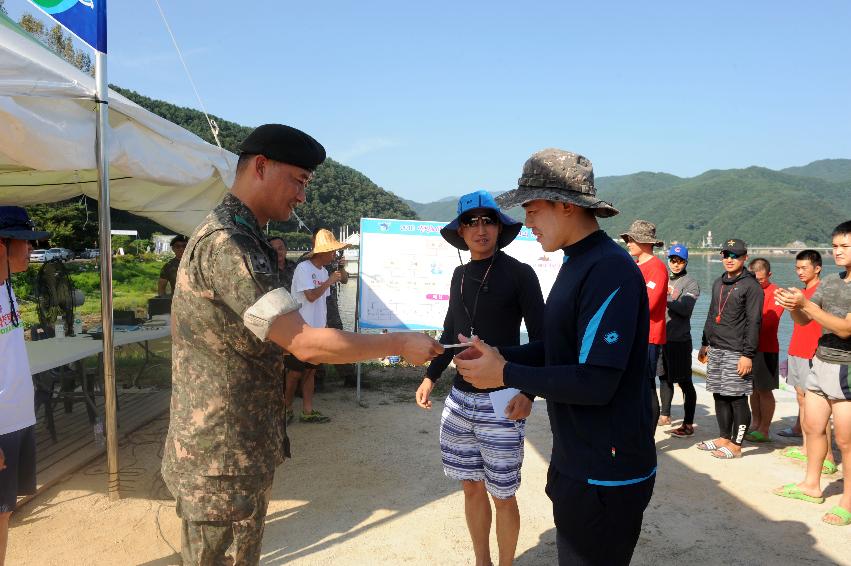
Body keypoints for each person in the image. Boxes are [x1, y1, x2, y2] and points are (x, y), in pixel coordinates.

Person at [161, 124, 442, 566]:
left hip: (233, 450)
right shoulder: (228, 243)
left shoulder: (245, 236)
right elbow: (304, 343)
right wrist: (400, 341)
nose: (302, 196)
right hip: (221, 456)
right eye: (300, 180)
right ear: (260, 166)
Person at [455, 149, 656, 566]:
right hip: (577, 458)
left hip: (608, 467)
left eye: (532, 209)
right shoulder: (576, 261)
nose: (526, 222)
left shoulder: (610, 270)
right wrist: (498, 354)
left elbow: (597, 381)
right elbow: (557, 348)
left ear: (566, 205)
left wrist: (505, 372)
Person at [415, 190, 545, 566]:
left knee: (502, 494)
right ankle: (482, 562)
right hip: (459, 399)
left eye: (487, 220)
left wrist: (530, 393)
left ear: (499, 227)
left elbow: (543, 340)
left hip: (503, 399)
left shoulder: (520, 274)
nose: (480, 228)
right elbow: (450, 329)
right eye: (471, 222)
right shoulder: (458, 275)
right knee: (471, 486)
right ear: (461, 231)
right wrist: (430, 376)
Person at [773, 221, 851, 527]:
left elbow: (845, 329)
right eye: (835, 246)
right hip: (820, 362)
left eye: (844, 246)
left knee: (845, 440)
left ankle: (847, 500)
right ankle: (811, 485)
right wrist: (794, 305)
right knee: (814, 425)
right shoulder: (832, 281)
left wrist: (806, 304)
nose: (838, 251)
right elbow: (805, 320)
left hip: (846, 367)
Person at [0, 206, 49, 566]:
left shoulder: (8, 288)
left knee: (4, 513)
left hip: (17, 418)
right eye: (25, 243)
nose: (30, 250)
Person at [697, 238, 762, 459]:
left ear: (745, 258)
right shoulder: (718, 282)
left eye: (734, 255)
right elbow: (710, 313)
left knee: (737, 397)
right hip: (716, 347)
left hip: (737, 350)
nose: (729, 259)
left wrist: (747, 355)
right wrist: (704, 343)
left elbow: (754, 322)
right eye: (726, 254)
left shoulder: (751, 286)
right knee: (719, 395)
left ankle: (736, 444)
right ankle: (723, 437)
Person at [777, 250, 837, 474]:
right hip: (797, 349)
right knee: (802, 401)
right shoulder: (801, 293)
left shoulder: (823, 292)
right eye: (797, 268)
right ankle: (806, 447)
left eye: (804, 268)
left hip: (812, 351)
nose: (800, 272)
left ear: (818, 268)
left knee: (819, 407)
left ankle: (828, 454)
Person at [285, 229, 349, 424]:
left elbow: (322, 302)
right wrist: (329, 281)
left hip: (317, 329)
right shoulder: (304, 268)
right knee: (294, 372)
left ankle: (307, 410)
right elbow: (311, 296)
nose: (334, 255)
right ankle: (285, 409)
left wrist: (326, 326)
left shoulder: (322, 271)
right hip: (300, 330)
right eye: (332, 251)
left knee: (311, 371)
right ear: (321, 252)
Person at [621, 219, 667, 427]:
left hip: (649, 335)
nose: (628, 243)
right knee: (634, 384)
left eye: (631, 239)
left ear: (644, 242)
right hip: (634, 334)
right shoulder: (635, 265)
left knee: (647, 384)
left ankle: (648, 435)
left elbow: (650, 303)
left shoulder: (656, 267)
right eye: (628, 239)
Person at [659, 244, 700, 437]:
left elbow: (685, 309)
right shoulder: (662, 277)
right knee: (664, 378)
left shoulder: (690, 283)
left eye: (680, 261)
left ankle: (688, 423)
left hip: (680, 340)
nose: (676, 264)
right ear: (668, 260)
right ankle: (665, 414)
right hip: (660, 337)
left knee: (685, 382)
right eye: (673, 260)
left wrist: (661, 297)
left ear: (685, 262)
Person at [744, 258, 784, 443]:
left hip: (766, 348)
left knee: (765, 390)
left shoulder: (776, 292)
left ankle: (765, 429)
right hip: (749, 348)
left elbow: (769, 322)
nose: (757, 283)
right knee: (752, 389)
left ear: (769, 275)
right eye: (753, 279)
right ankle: (755, 422)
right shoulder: (748, 288)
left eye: (760, 280)